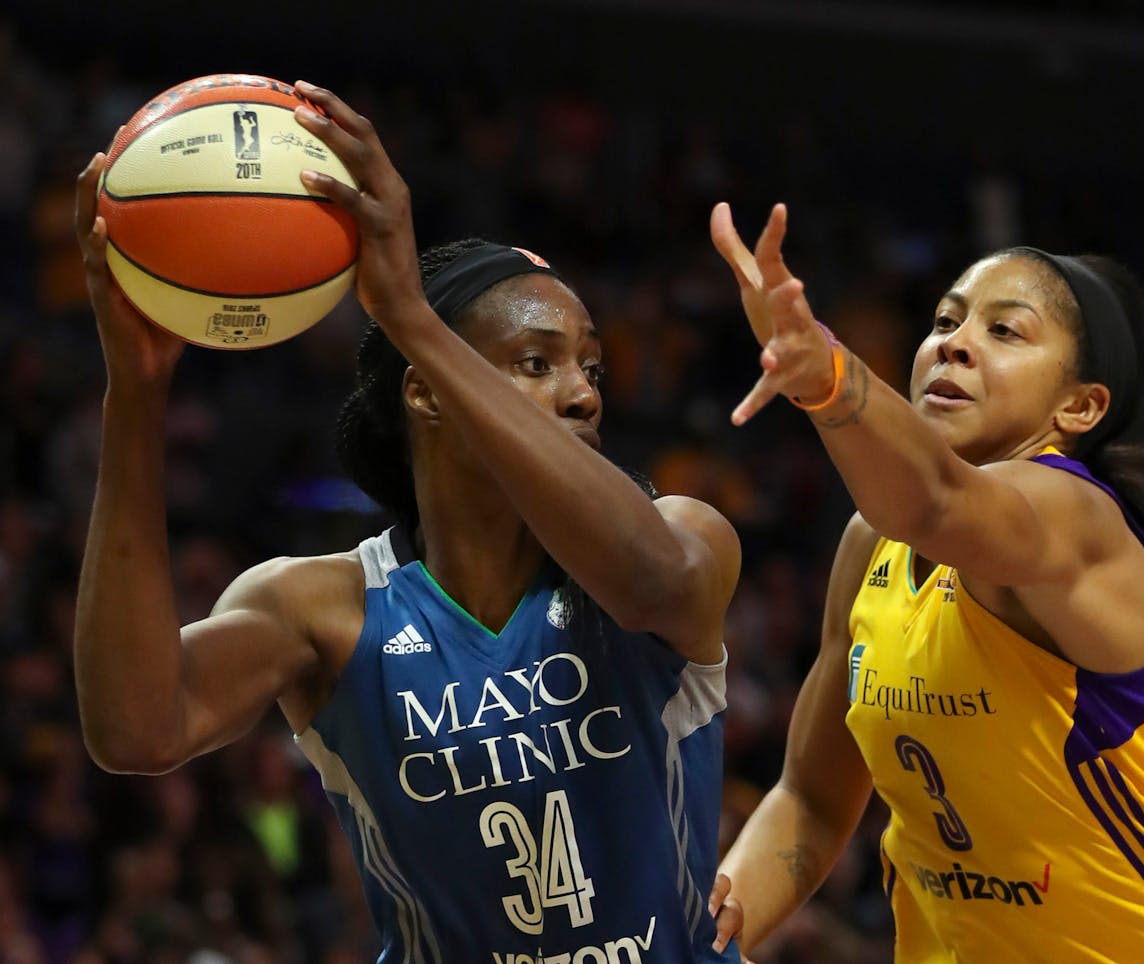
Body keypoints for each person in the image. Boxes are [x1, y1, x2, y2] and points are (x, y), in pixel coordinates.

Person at [71, 80, 741, 963]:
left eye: (590, 368)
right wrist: (138, 389)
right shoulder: (320, 609)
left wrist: (410, 316)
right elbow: (133, 731)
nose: (582, 392)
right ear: (425, 388)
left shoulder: (684, 537)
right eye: (536, 363)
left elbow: (654, 580)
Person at [705, 203, 1144, 963]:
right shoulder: (870, 546)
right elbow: (811, 804)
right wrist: (703, 944)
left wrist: (826, 373)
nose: (953, 344)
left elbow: (938, 500)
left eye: (1004, 330)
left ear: (1079, 406)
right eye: (945, 321)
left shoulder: (1076, 518)